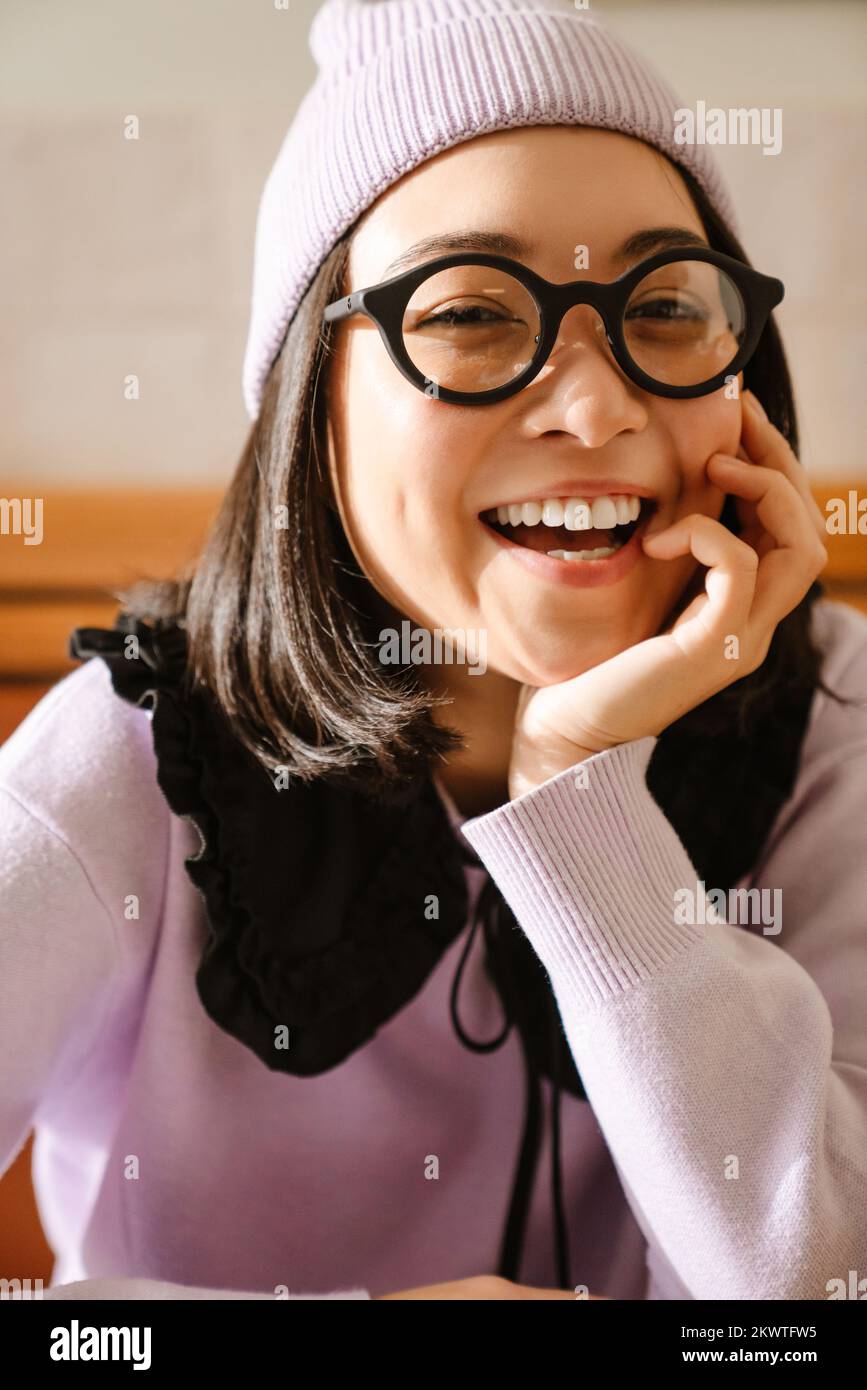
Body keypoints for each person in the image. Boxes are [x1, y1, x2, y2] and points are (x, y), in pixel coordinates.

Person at [1, 0, 865, 1302]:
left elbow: (815, 1286)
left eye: (669, 305)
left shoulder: (832, 737)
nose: (594, 402)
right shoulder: (122, 766)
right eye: (471, 314)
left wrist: (584, 804)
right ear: (314, 401)